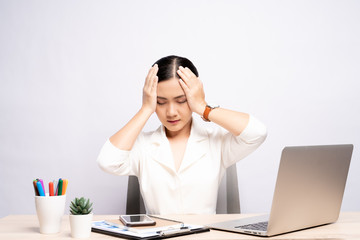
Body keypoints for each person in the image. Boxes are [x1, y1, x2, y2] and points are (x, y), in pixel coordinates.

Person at [97, 55, 267, 215]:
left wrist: (202, 107)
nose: (171, 112)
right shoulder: (142, 145)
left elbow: (257, 133)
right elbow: (107, 161)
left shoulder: (217, 141)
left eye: (181, 101)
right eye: (161, 102)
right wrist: (145, 109)